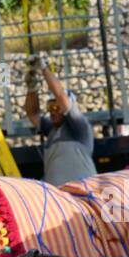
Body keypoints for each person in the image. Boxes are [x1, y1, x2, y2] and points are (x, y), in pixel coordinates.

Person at [23, 58, 97, 186]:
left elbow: (60, 96)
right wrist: (31, 88)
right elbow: (32, 113)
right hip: (58, 195)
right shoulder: (51, 129)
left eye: (57, 108)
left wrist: (44, 69)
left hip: (82, 192)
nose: (52, 112)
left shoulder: (79, 127)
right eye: (50, 108)